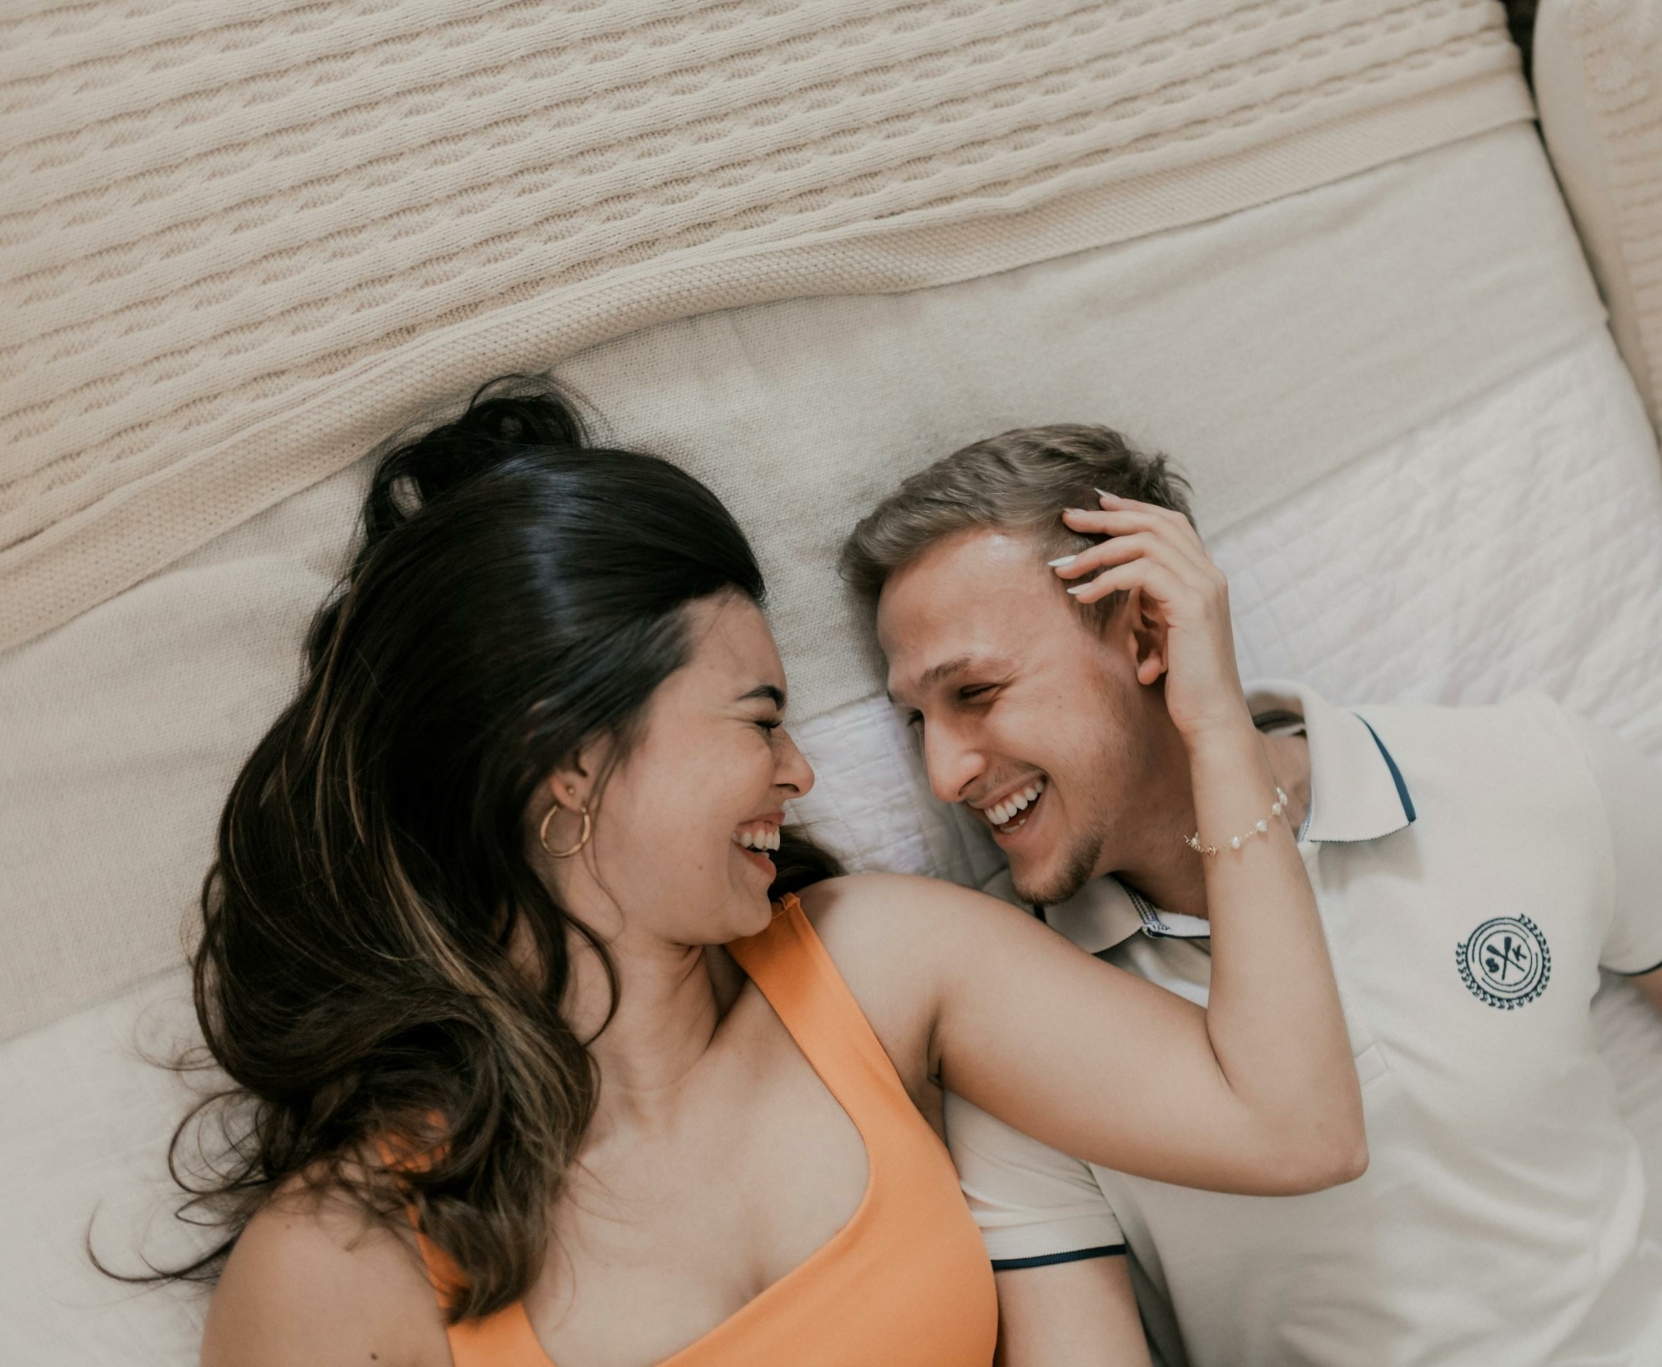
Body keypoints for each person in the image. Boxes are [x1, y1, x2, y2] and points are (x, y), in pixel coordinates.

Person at [179, 383, 1369, 1367]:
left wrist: (1214, 724)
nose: (799, 771)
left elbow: (1294, 1123)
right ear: (568, 759)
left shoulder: (881, 959)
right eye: (758, 719)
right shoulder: (337, 1263)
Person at [842, 425, 1662, 1367]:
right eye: (915, 720)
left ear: (1149, 631)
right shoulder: (1018, 1042)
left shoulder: (1526, 773)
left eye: (974, 692)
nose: (942, 770)